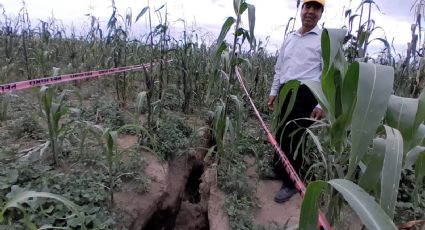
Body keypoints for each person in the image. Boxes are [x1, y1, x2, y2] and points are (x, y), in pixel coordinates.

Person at [267, 0, 326, 203]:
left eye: (315, 8)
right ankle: (279, 170)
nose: (310, 11)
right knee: (281, 132)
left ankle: (292, 182)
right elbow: (279, 67)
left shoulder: (323, 40)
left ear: (321, 13)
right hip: (286, 91)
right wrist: (274, 91)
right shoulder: (290, 38)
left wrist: (321, 104)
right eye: (307, 7)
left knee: (296, 138)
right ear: (301, 10)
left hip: (306, 94)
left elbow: (327, 74)